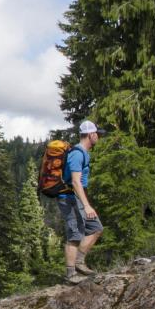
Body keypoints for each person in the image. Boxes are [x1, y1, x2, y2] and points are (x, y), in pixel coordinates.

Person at [62, 119, 105, 284]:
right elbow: (75, 181)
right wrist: (86, 205)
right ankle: (70, 275)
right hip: (68, 198)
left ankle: (79, 262)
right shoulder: (77, 154)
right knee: (74, 234)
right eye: (97, 134)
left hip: (77, 198)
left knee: (96, 228)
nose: (98, 138)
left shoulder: (83, 153)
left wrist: (86, 203)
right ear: (91, 134)